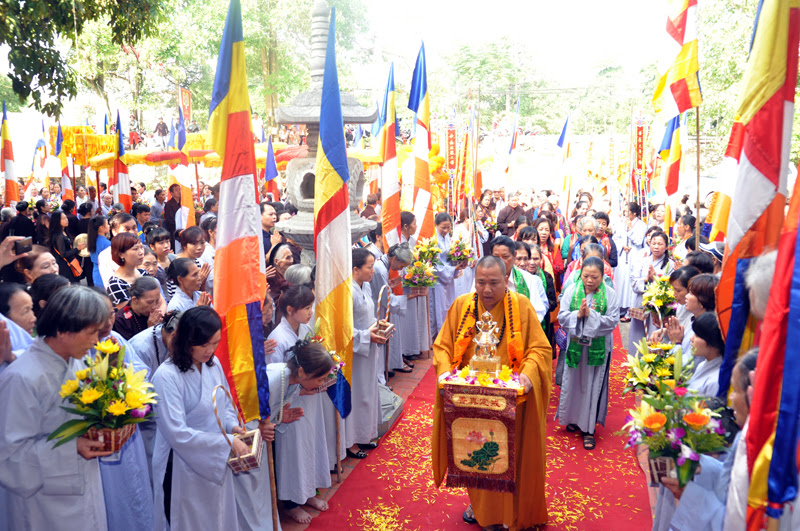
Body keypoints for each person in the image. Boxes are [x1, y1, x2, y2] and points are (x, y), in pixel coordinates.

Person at [432, 256, 552, 530]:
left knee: (508, 456)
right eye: (481, 282)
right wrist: (444, 372)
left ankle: (513, 513)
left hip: (510, 400)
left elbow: (540, 349)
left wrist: (528, 375)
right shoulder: (463, 306)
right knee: (477, 453)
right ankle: (482, 509)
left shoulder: (521, 306)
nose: (487, 290)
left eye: (494, 283)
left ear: (506, 279)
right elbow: (443, 347)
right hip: (470, 399)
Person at [0, 286, 112, 530]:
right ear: (63, 330)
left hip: (86, 488)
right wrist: (72, 447)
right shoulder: (22, 378)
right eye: (91, 332)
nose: (96, 341)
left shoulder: (78, 361)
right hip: (43, 505)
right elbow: (8, 457)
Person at [151, 306, 246, 530]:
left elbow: (224, 402)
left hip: (216, 456)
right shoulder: (166, 376)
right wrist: (227, 442)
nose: (210, 350)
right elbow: (176, 433)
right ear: (186, 340)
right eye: (204, 344)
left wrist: (232, 427)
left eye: (215, 343)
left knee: (218, 518)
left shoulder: (213, 364)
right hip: (182, 465)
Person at [266, 285, 333, 524]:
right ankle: (292, 502)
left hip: (309, 397)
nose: (310, 312)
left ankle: (308, 492)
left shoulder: (305, 328)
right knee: (293, 453)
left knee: (311, 445)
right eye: (306, 308)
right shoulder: (276, 338)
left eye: (311, 307)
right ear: (291, 310)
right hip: (289, 405)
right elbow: (276, 378)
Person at [557, 257, 620, 450]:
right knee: (574, 382)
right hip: (576, 344)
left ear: (603, 276)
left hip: (597, 347)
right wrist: (577, 315)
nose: (590, 281)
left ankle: (588, 429)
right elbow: (561, 317)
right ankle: (573, 419)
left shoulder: (609, 294)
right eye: (586, 276)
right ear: (580, 274)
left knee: (593, 385)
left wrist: (590, 316)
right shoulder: (571, 290)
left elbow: (612, 321)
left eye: (595, 277)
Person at [346, 248, 387, 458]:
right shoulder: (347, 291)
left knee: (368, 392)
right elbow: (342, 329)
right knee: (356, 394)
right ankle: (351, 441)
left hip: (368, 347)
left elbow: (369, 316)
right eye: (369, 267)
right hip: (355, 352)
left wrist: (380, 326)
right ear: (355, 269)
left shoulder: (367, 285)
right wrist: (365, 335)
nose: (373, 271)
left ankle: (365, 434)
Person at [369, 242, 413, 381]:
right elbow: (385, 298)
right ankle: (380, 378)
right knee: (378, 345)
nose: (400, 269)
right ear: (394, 259)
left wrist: (390, 284)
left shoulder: (382, 265)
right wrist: (412, 296)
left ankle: (382, 373)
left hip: (378, 307)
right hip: (375, 310)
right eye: (401, 266)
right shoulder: (379, 269)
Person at [628, 231, 673, 355]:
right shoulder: (642, 261)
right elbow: (633, 283)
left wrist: (655, 279)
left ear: (666, 246)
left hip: (658, 307)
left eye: (660, 244)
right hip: (640, 304)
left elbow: (670, 288)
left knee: (654, 336)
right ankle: (636, 364)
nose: (656, 247)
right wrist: (647, 280)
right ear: (649, 244)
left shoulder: (671, 265)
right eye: (653, 243)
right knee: (637, 337)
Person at [490, 236, 547, 322]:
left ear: (514, 256)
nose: (500, 261)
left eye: (505, 257)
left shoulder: (529, 280)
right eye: (496, 257)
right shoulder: (483, 278)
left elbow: (538, 312)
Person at [429, 213, 468, 335]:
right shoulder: (433, 239)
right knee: (439, 308)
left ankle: (448, 331)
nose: (446, 230)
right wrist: (452, 269)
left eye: (448, 227)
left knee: (448, 304)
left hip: (449, 275)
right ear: (436, 225)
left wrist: (458, 261)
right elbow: (436, 263)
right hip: (439, 278)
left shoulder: (446, 237)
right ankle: (440, 334)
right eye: (443, 228)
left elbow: (449, 255)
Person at [617, 203, 648, 321]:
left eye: (626, 211)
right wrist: (622, 245)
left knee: (632, 284)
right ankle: (621, 308)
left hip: (635, 256)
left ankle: (630, 311)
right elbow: (616, 238)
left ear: (634, 213)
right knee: (622, 282)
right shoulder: (621, 223)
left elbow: (639, 240)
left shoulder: (642, 225)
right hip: (622, 256)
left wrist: (630, 228)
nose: (624, 213)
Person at [112, 276, 164, 340]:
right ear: (135, 300)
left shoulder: (155, 314)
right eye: (150, 302)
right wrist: (150, 330)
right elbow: (130, 348)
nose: (155, 306)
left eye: (157, 301)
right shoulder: (121, 320)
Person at [106, 233, 146, 309]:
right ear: (121, 254)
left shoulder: (143, 272)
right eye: (135, 249)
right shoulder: (115, 284)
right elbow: (128, 312)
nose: (141, 252)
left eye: (141, 247)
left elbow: (160, 300)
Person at [49, 210, 84, 283]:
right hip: (65, 266)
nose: (66, 220)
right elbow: (63, 254)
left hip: (70, 263)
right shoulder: (59, 236)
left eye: (66, 218)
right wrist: (77, 249)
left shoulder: (64, 232)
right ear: (57, 221)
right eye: (63, 219)